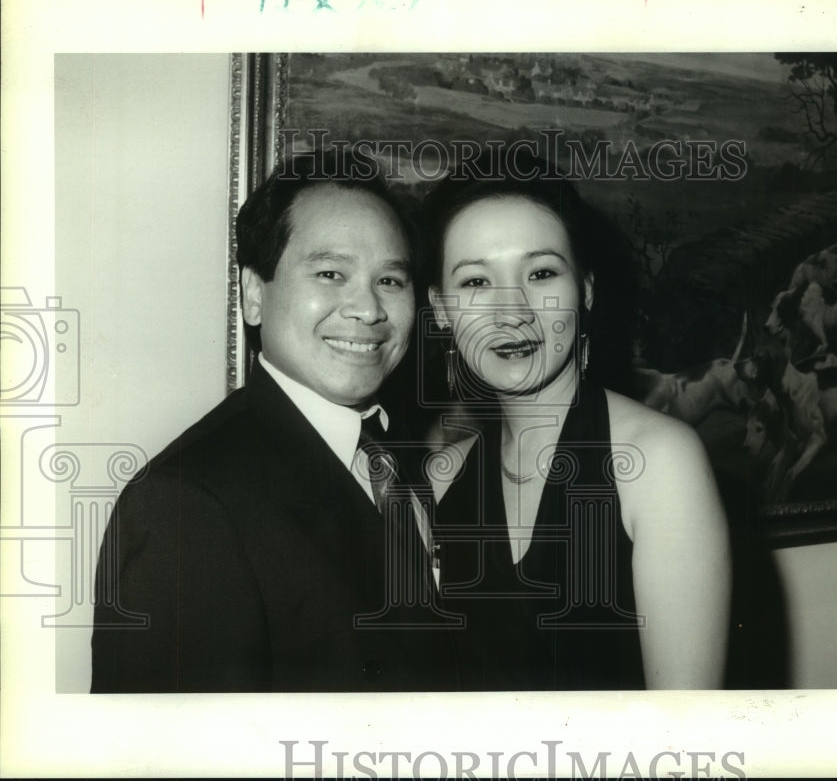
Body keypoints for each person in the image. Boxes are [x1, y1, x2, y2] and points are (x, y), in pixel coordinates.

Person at [91, 149, 459, 692]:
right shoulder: (184, 503)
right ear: (254, 295)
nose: (369, 309)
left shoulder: (396, 452)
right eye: (331, 273)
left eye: (391, 281)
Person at [422, 150, 731, 690]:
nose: (512, 312)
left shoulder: (659, 465)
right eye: (475, 282)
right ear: (442, 309)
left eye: (541, 273)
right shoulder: (440, 477)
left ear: (585, 289)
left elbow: (685, 738)